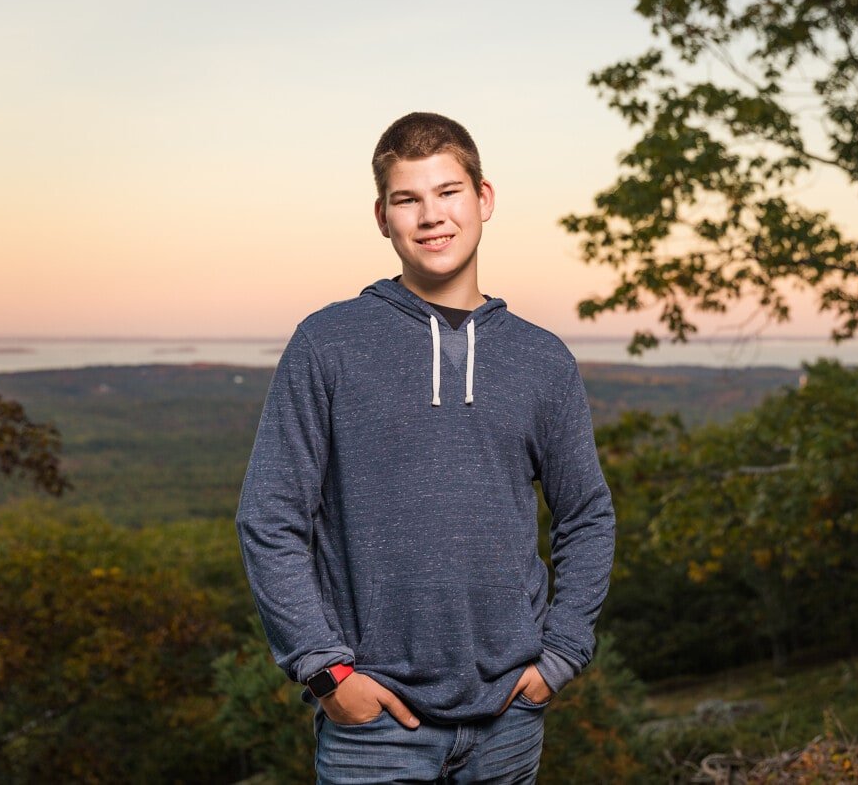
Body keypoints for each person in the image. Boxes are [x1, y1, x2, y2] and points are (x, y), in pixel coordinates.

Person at [235, 111, 616, 784]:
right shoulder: (327, 344)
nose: (431, 215)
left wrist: (558, 656)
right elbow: (270, 517)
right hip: (373, 726)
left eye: (448, 192)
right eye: (408, 198)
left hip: (509, 719)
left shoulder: (542, 359)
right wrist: (326, 672)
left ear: (484, 199)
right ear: (382, 216)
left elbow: (586, 515)